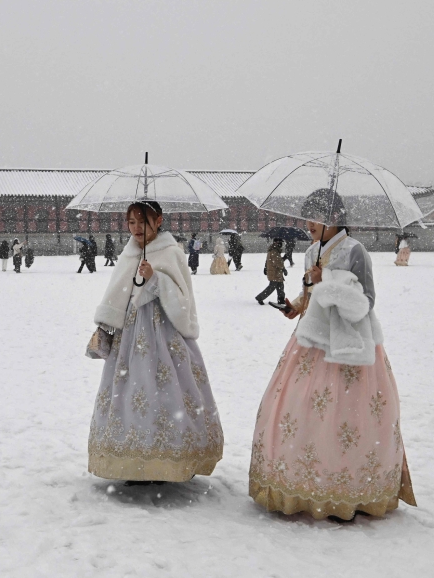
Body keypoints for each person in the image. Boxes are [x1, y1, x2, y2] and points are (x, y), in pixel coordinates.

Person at [249, 188, 416, 520]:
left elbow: (366, 302)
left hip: (349, 346)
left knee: (349, 413)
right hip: (309, 342)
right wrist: (297, 305)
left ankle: (348, 488)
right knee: (299, 408)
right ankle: (300, 481)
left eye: (315, 217)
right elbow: (308, 296)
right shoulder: (312, 251)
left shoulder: (356, 252)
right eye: (307, 216)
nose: (308, 224)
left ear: (334, 218)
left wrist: (327, 283)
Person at [88, 200, 223, 484]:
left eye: (143, 222)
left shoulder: (171, 252)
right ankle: (132, 460)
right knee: (130, 390)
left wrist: (156, 279)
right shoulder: (128, 253)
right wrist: (107, 325)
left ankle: (165, 460)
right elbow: (116, 293)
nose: (136, 228)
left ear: (159, 221)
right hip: (129, 335)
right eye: (132, 222)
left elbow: (182, 299)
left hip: (163, 332)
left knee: (164, 390)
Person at [255, 238, 287, 306]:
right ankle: (260, 297)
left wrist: (266, 267)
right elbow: (277, 262)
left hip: (276, 272)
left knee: (280, 286)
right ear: (275, 243)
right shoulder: (274, 251)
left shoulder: (274, 250)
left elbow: (271, 260)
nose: (281, 244)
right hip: (274, 272)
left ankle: (281, 299)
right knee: (272, 287)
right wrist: (283, 267)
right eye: (280, 242)